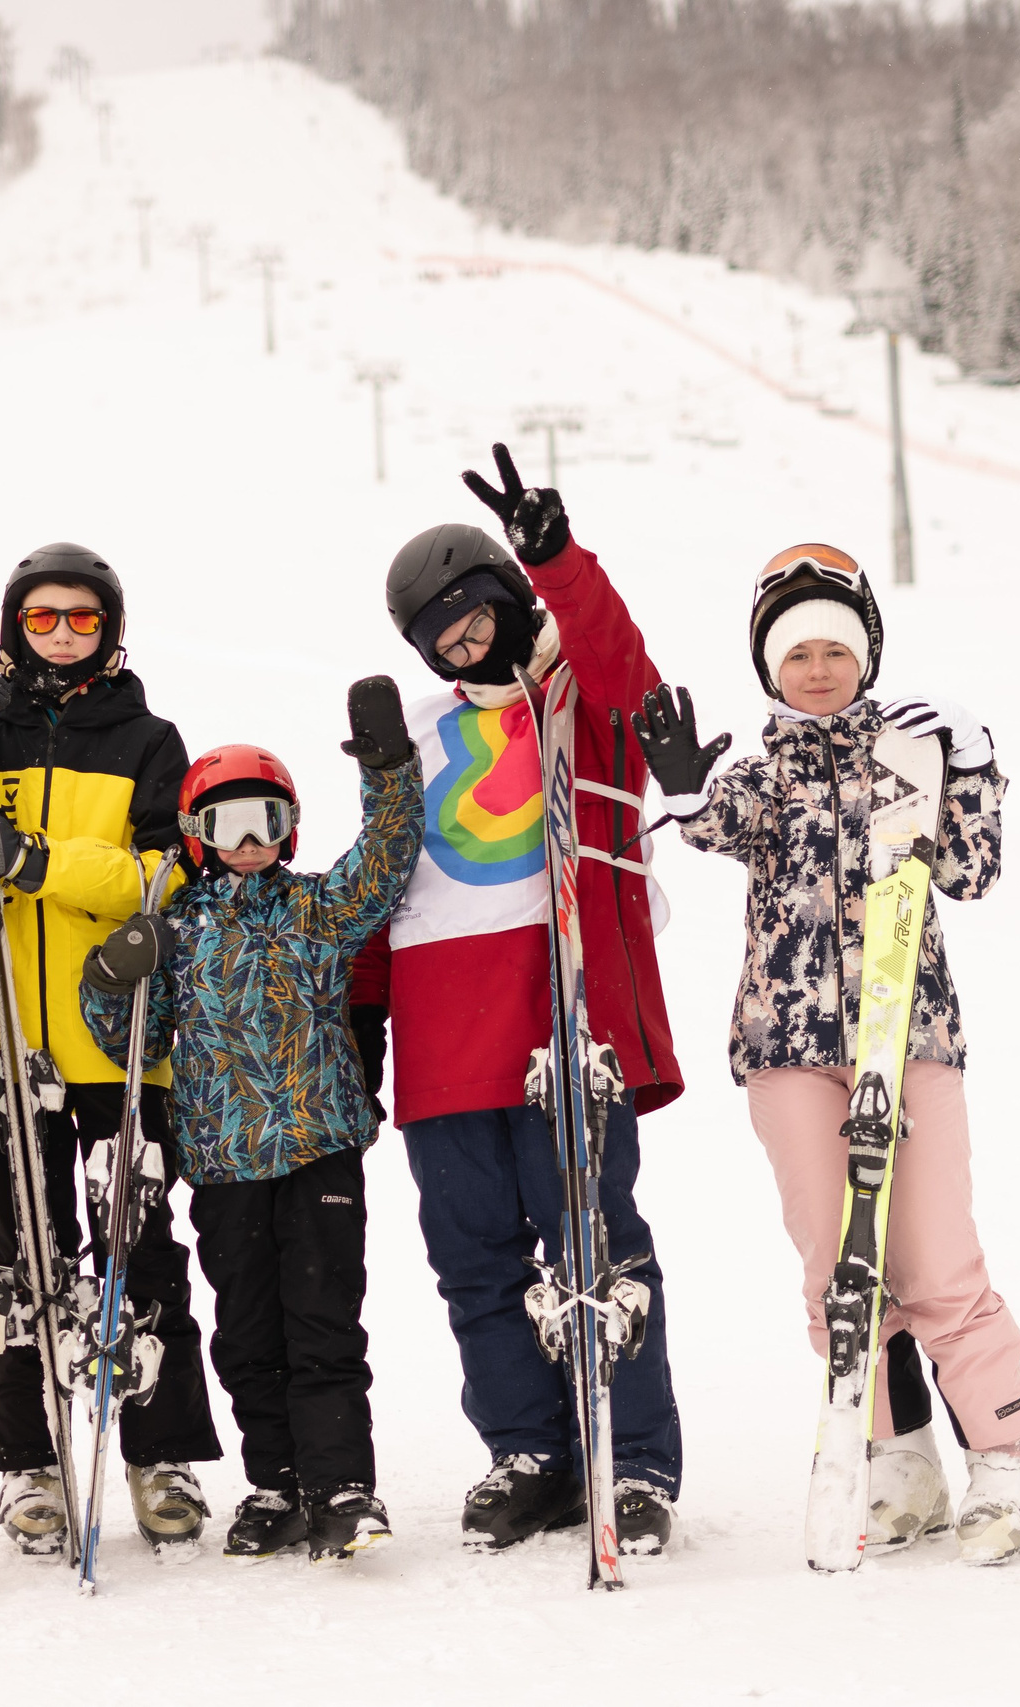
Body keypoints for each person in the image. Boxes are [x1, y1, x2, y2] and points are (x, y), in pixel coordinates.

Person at [641, 542, 1020, 1565]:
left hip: (905, 1039)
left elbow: (972, 870)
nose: (817, 669)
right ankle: (894, 1461)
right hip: (787, 1050)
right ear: (768, 668)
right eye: (795, 654)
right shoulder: (760, 773)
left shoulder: (909, 756)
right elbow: (711, 824)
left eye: (835, 649)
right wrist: (686, 793)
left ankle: (1002, 1460)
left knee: (936, 1260)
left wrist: (977, 763)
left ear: (865, 655)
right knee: (839, 1275)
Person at [349, 444, 684, 1555]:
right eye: (436, 631)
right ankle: (528, 1449)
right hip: (442, 1042)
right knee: (476, 1262)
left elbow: (631, 684)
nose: (461, 638)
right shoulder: (424, 736)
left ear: (503, 597)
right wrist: (358, 1014)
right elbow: (379, 878)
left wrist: (559, 562)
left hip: (564, 1021)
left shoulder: (573, 704)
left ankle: (631, 1457)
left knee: (596, 1245)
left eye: (472, 612)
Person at [0, 543, 222, 1553]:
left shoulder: (148, 739)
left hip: (116, 1041)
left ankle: (160, 1455)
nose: (63, 635)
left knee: (140, 1248)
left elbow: (166, 875)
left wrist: (37, 861)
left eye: (81, 618)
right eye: (43, 619)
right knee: (21, 1255)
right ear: (14, 628)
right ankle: (28, 1461)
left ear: (110, 629)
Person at [79, 681, 424, 1563]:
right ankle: (275, 1483)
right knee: (247, 1332)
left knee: (323, 1323)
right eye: (226, 825)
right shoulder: (180, 929)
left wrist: (389, 772)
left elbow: (384, 861)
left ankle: (342, 1485)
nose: (245, 844)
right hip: (225, 1162)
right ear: (195, 836)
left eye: (263, 823)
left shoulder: (316, 909)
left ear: (288, 829)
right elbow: (130, 1042)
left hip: (317, 1150)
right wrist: (112, 974)